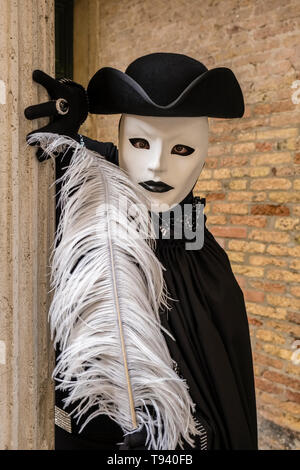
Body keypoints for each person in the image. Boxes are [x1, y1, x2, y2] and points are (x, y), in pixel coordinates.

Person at [25, 52, 258, 450]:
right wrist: (69, 133)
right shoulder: (95, 192)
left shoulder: (203, 259)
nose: (155, 166)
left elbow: (223, 375)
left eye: (181, 150)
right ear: (120, 142)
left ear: (203, 153)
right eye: (139, 141)